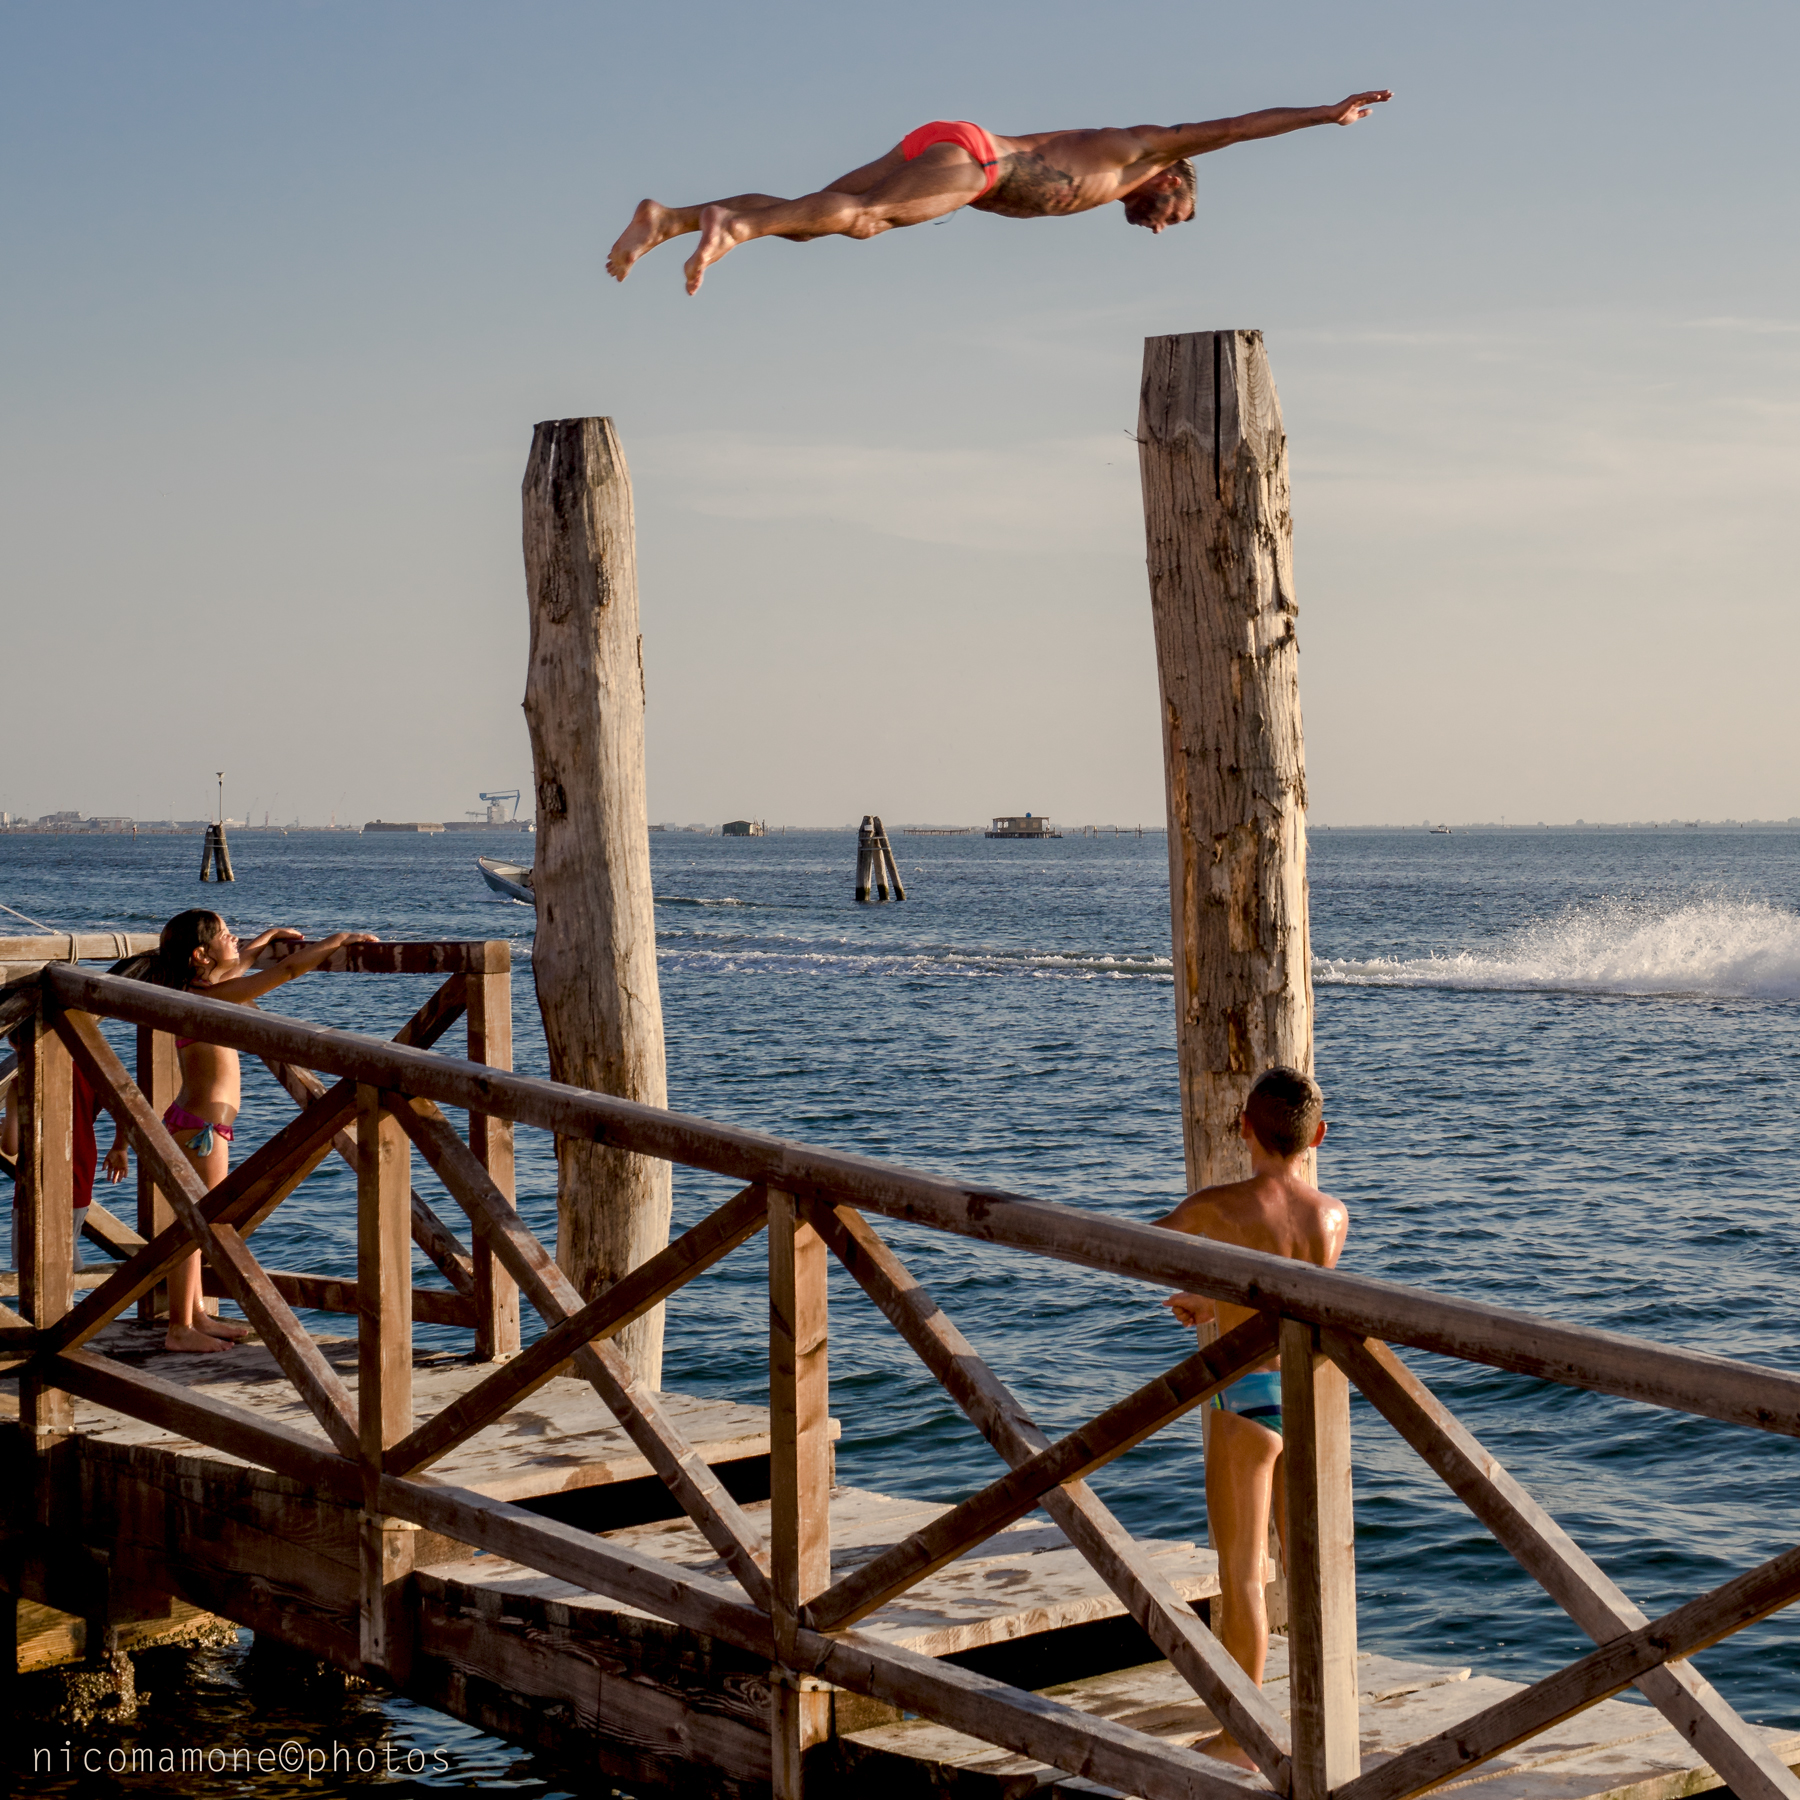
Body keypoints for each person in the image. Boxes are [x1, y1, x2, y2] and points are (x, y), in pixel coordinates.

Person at [607, 91, 1391, 294]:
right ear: (1174, 183)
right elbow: (1237, 126)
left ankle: (671, 218)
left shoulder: (1112, 185)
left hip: (951, 145)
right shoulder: (1149, 150)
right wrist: (1325, 114)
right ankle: (729, 230)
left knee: (814, 217)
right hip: (977, 160)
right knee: (866, 221)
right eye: (1173, 217)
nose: (1161, 228)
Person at [1154, 1066, 1348, 1772]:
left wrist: (1200, 1292)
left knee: (1242, 1573)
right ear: (1317, 1136)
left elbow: (1125, 1249)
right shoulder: (1334, 1215)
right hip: (1307, 1398)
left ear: (1243, 1126)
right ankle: (1322, 1720)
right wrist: (1219, 1303)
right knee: (1304, 1570)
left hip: (1246, 1400)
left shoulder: (1218, 1206)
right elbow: (1292, 1298)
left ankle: (1241, 1732)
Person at [145, 910, 378, 1354]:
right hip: (203, 1128)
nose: (235, 939)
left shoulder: (200, 988)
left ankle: (196, 1315)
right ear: (199, 954)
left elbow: (240, 964)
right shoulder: (210, 998)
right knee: (196, 1224)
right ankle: (179, 1326)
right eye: (226, 934)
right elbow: (286, 970)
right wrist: (337, 938)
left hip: (197, 1122)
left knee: (199, 1222)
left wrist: (266, 936)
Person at [3, 1048, 129, 1273]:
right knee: (66, 1248)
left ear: (15, 1043)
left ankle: (76, 1307)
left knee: (34, 1263)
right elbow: (125, 1108)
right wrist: (120, 1147)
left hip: (35, 1187)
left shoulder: (19, 1084)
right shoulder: (87, 1075)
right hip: (78, 1179)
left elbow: (10, 1147)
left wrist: (5, 1128)